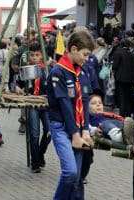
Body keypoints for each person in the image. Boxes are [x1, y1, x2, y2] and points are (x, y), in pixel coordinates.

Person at [47, 30, 94, 200]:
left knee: (78, 178)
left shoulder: (82, 71)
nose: (87, 59)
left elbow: (86, 101)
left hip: (79, 127)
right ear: (73, 49)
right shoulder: (58, 73)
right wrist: (75, 134)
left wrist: (86, 130)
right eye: (85, 54)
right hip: (61, 126)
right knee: (70, 173)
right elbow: (65, 105)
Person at [26, 43, 51, 173]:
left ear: (41, 55)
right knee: (34, 134)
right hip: (32, 104)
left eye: (37, 55)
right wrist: (18, 88)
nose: (35, 57)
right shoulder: (26, 68)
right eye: (32, 55)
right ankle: (35, 162)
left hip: (45, 105)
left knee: (49, 131)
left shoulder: (47, 69)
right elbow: (18, 84)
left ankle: (41, 153)